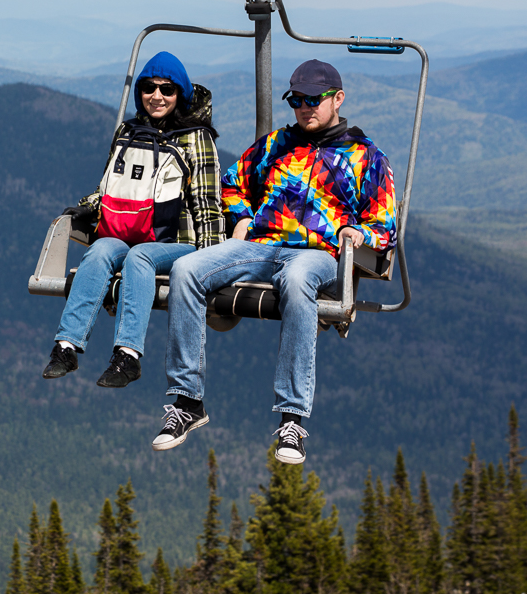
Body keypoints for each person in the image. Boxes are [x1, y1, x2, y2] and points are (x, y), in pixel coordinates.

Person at [151, 59, 396, 464]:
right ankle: (187, 401)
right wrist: (243, 216)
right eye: (297, 99)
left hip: (320, 255)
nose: (305, 107)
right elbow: (232, 182)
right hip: (262, 247)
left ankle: (292, 419)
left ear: (338, 99)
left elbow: (384, 222)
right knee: (186, 269)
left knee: (298, 278)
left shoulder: (365, 155)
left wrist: (360, 235)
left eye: (315, 100)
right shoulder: (276, 144)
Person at [42, 51, 226, 387]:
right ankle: (66, 346)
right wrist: (88, 206)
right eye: (149, 88)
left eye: (167, 90)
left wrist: (212, 262)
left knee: (140, 258)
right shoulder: (129, 131)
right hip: (124, 231)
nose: (157, 96)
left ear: (180, 93)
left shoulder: (197, 138)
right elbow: (112, 186)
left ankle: (128, 356)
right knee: (97, 253)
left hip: (176, 243)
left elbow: (208, 204)